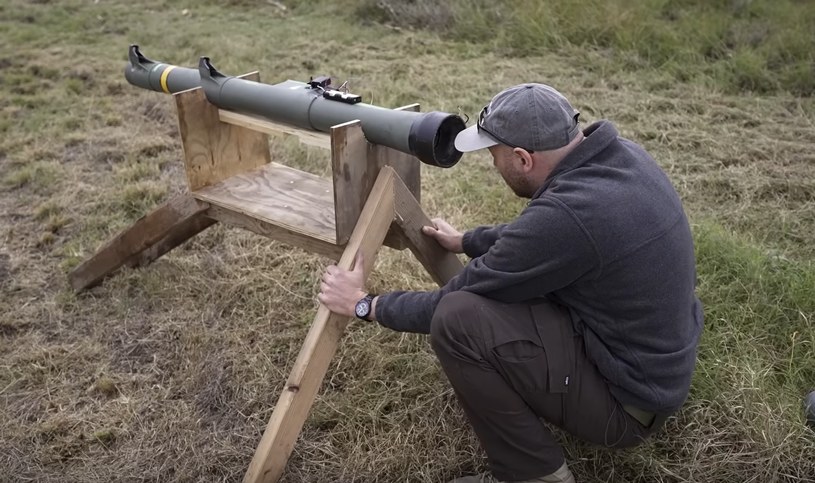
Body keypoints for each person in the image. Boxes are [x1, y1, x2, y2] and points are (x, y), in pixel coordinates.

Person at [318, 83, 703, 483]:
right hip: (654, 373)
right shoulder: (620, 160)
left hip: (626, 408)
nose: (492, 163)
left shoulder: (568, 218)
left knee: (457, 319)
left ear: (522, 159)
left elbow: (456, 296)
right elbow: (546, 237)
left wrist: (365, 304)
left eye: (493, 154)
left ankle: (532, 475)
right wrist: (467, 241)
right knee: (508, 297)